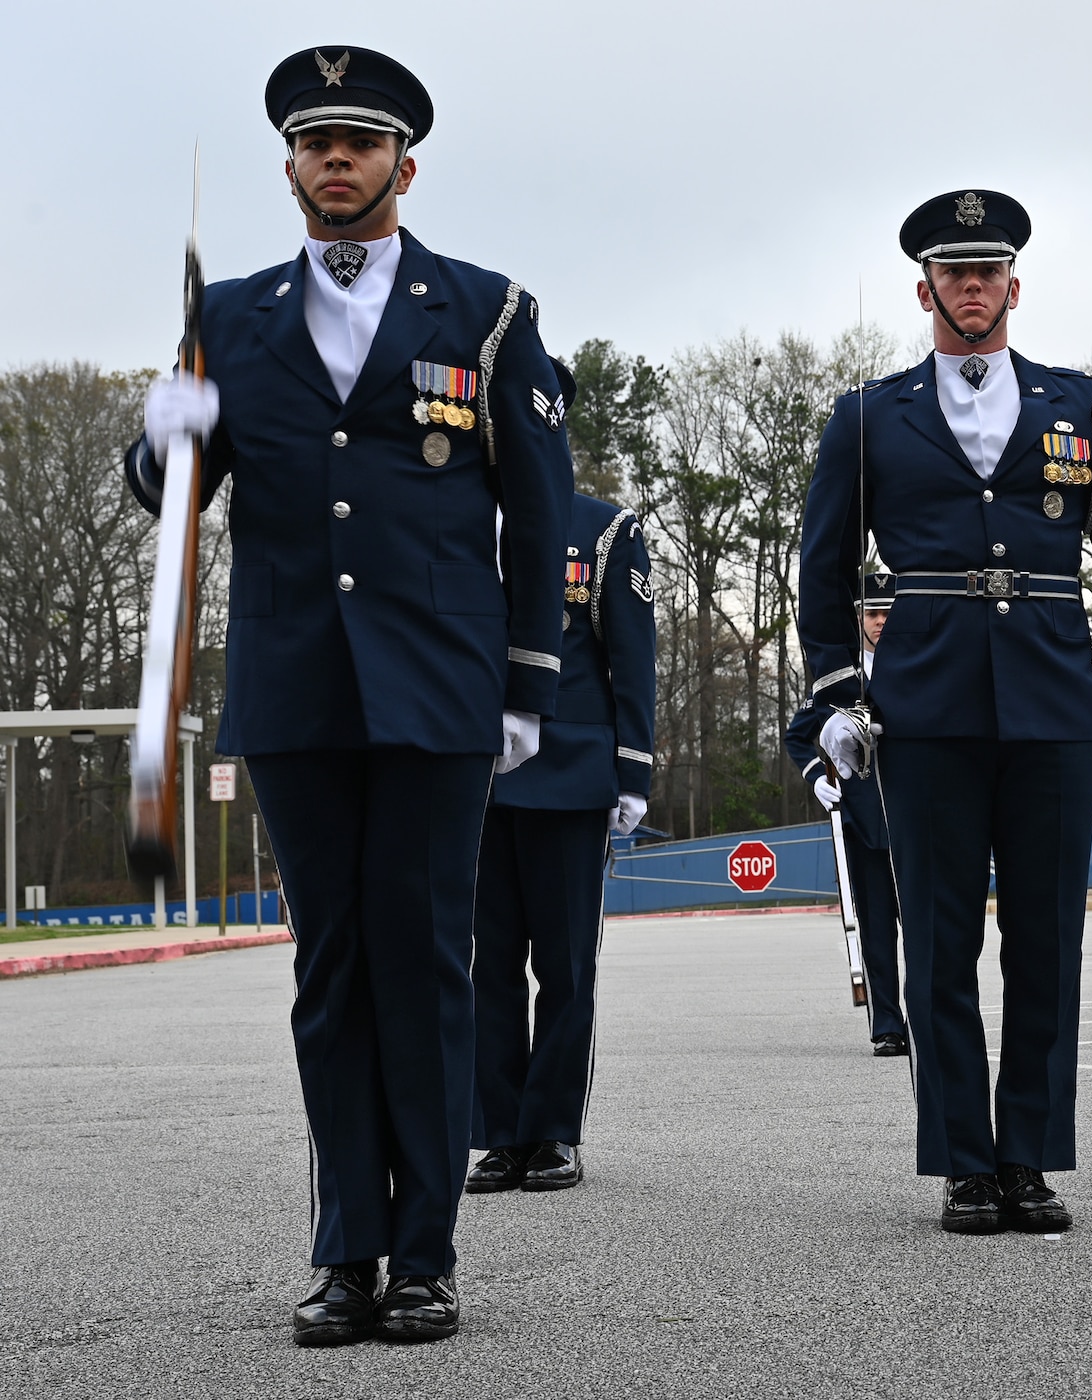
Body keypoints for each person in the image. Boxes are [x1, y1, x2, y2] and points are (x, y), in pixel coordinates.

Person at [128, 46, 572, 1343]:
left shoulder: (484, 312)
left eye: (361, 142)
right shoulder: (235, 318)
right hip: (294, 685)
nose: (338, 160)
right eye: (318, 143)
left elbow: (536, 513)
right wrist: (156, 440)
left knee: (426, 967)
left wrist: (528, 680)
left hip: (440, 690)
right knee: (328, 975)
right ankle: (345, 1252)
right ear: (289, 170)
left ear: (402, 165)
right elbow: (176, 506)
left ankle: (424, 1253)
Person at [795, 190, 1092, 1234]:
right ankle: (963, 1158)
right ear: (924, 289)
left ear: (1013, 285)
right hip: (924, 703)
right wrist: (833, 690)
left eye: (987, 270)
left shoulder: (1080, 405)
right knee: (940, 938)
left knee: (1044, 938)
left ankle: (1030, 1156)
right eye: (952, 273)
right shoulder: (869, 415)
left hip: (1051, 697)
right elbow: (820, 568)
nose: (971, 287)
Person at [466, 485, 657, 1195]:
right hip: (471, 774)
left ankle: (552, 1131)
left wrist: (633, 769)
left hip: (570, 773)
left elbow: (632, 654)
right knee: (487, 967)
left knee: (566, 965)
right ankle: (499, 1133)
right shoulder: (451, 508)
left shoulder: (603, 529)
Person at [783, 574, 908, 1056]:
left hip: (915, 820)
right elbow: (799, 735)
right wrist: (817, 777)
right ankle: (888, 1026)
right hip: (863, 820)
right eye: (873, 614)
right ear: (858, 618)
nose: (881, 622)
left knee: (922, 927)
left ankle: (924, 1017)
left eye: (888, 613)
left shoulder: (919, 666)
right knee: (876, 929)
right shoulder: (842, 678)